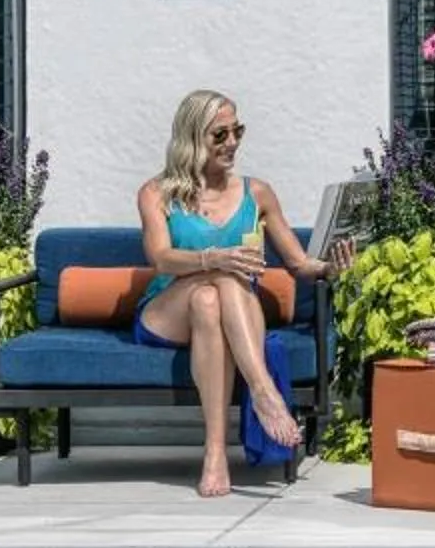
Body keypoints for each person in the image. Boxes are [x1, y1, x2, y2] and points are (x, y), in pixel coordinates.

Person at [135, 88, 351, 498]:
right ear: (192, 137)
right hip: (167, 310)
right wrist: (213, 258)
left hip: (225, 308)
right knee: (214, 282)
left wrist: (329, 267)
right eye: (220, 135)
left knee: (211, 297)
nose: (232, 142)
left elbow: (299, 264)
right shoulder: (157, 193)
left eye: (238, 131)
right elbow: (160, 259)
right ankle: (264, 390)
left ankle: (215, 453)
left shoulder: (257, 194)